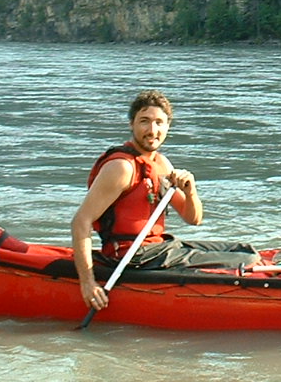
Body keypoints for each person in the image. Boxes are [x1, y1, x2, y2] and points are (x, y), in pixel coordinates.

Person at [71, 90, 257, 312]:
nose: (152, 130)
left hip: (158, 249)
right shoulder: (121, 167)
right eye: (144, 122)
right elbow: (81, 222)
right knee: (243, 260)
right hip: (132, 256)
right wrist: (88, 283)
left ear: (168, 126)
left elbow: (193, 219)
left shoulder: (162, 164)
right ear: (132, 124)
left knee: (244, 250)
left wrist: (190, 191)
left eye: (159, 122)